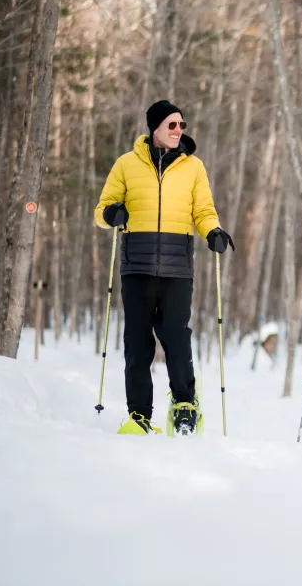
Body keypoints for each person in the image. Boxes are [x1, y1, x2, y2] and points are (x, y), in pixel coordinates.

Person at [94, 100, 235, 436]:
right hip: (137, 267)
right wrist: (112, 214)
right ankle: (139, 414)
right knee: (137, 341)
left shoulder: (193, 167)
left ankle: (185, 405)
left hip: (177, 268)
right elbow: (102, 210)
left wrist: (213, 231)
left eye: (181, 125)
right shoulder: (127, 165)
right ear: (154, 127)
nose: (178, 131)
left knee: (175, 336)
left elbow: (203, 211)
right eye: (171, 125)